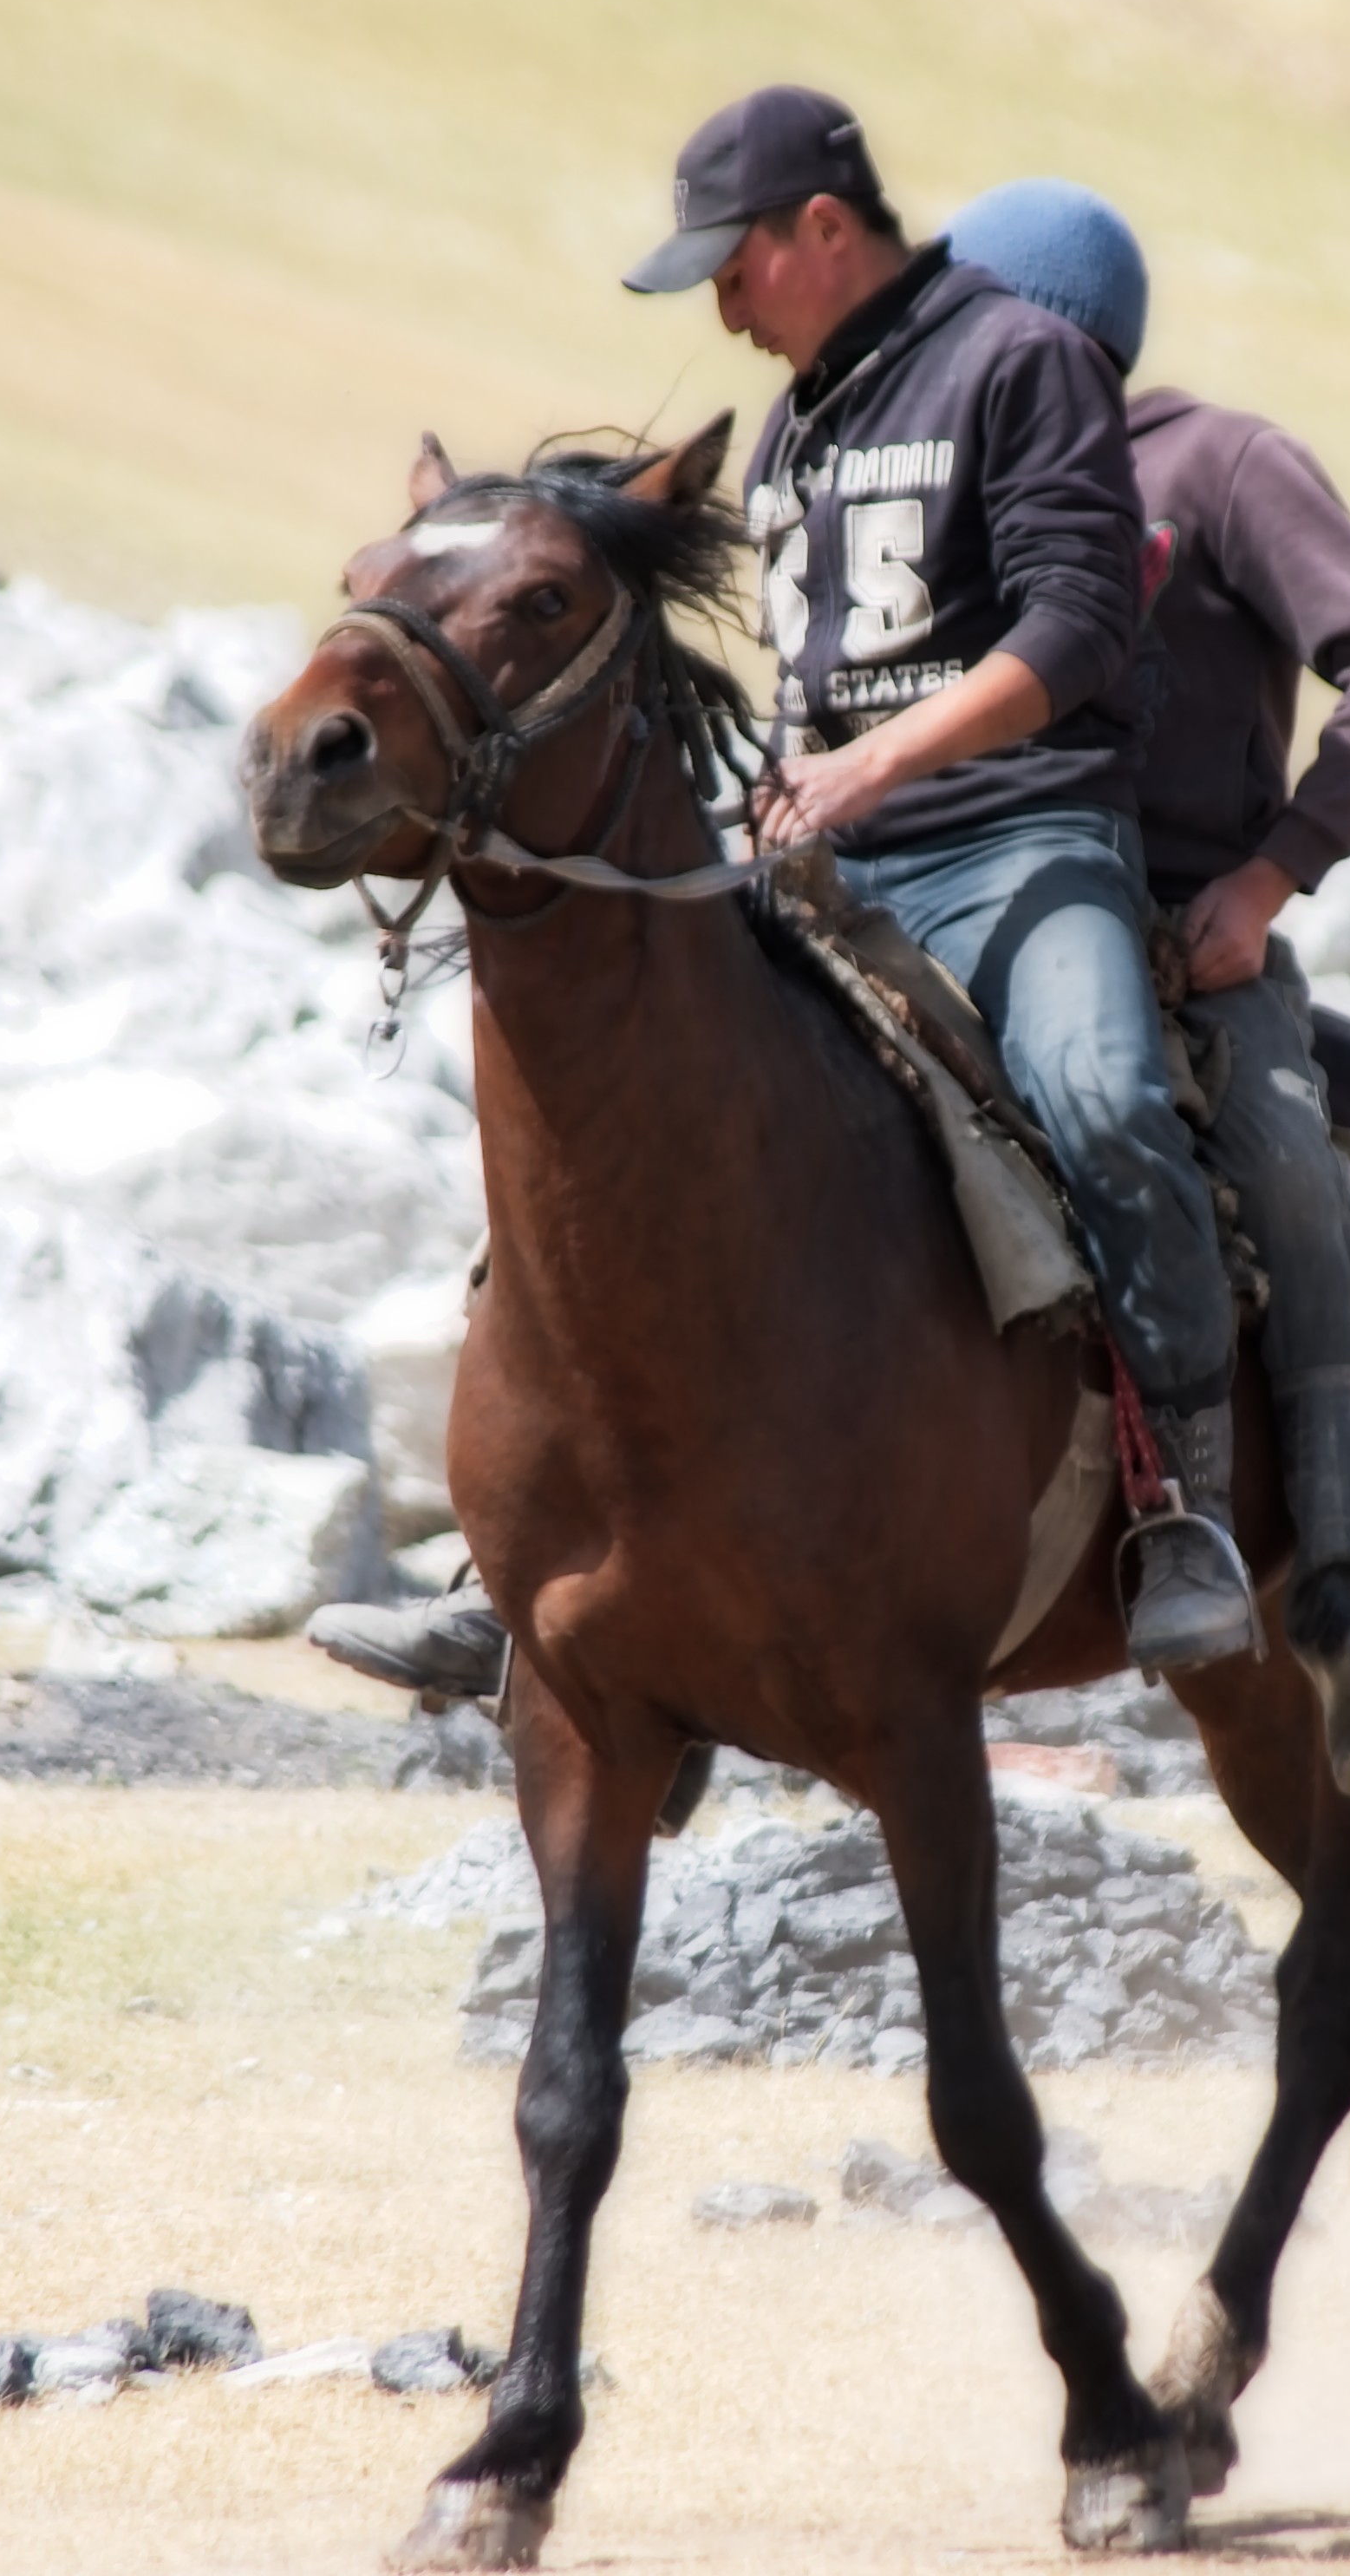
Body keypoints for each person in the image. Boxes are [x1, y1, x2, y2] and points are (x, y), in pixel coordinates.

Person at [310, 87, 1261, 1705]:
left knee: (1103, 1098)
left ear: (822, 230)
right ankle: (532, 1556)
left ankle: (1187, 1508)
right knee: (624, 1113)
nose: (722, 309)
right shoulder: (804, 413)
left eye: (731, 270)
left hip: (1020, 848)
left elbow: (1082, 626)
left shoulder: (1014, 363)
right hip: (827, 857)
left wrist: (877, 765)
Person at [938, 177, 1350, 1799]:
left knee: (1294, 1179)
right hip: (963, 904)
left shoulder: (1219, 463)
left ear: (1045, 336)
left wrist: (1271, 872)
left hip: (1185, 933)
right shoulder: (944, 484)